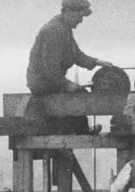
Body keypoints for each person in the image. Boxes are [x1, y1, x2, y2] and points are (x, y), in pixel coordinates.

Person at [26, 0, 114, 133]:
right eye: (80, 16)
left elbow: (75, 54)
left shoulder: (63, 28)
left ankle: (75, 130)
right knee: (78, 94)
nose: (81, 21)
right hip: (42, 83)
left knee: (77, 92)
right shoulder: (53, 31)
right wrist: (66, 85)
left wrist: (95, 62)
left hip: (49, 80)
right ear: (69, 12)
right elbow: (50, 69)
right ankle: (80, 130)